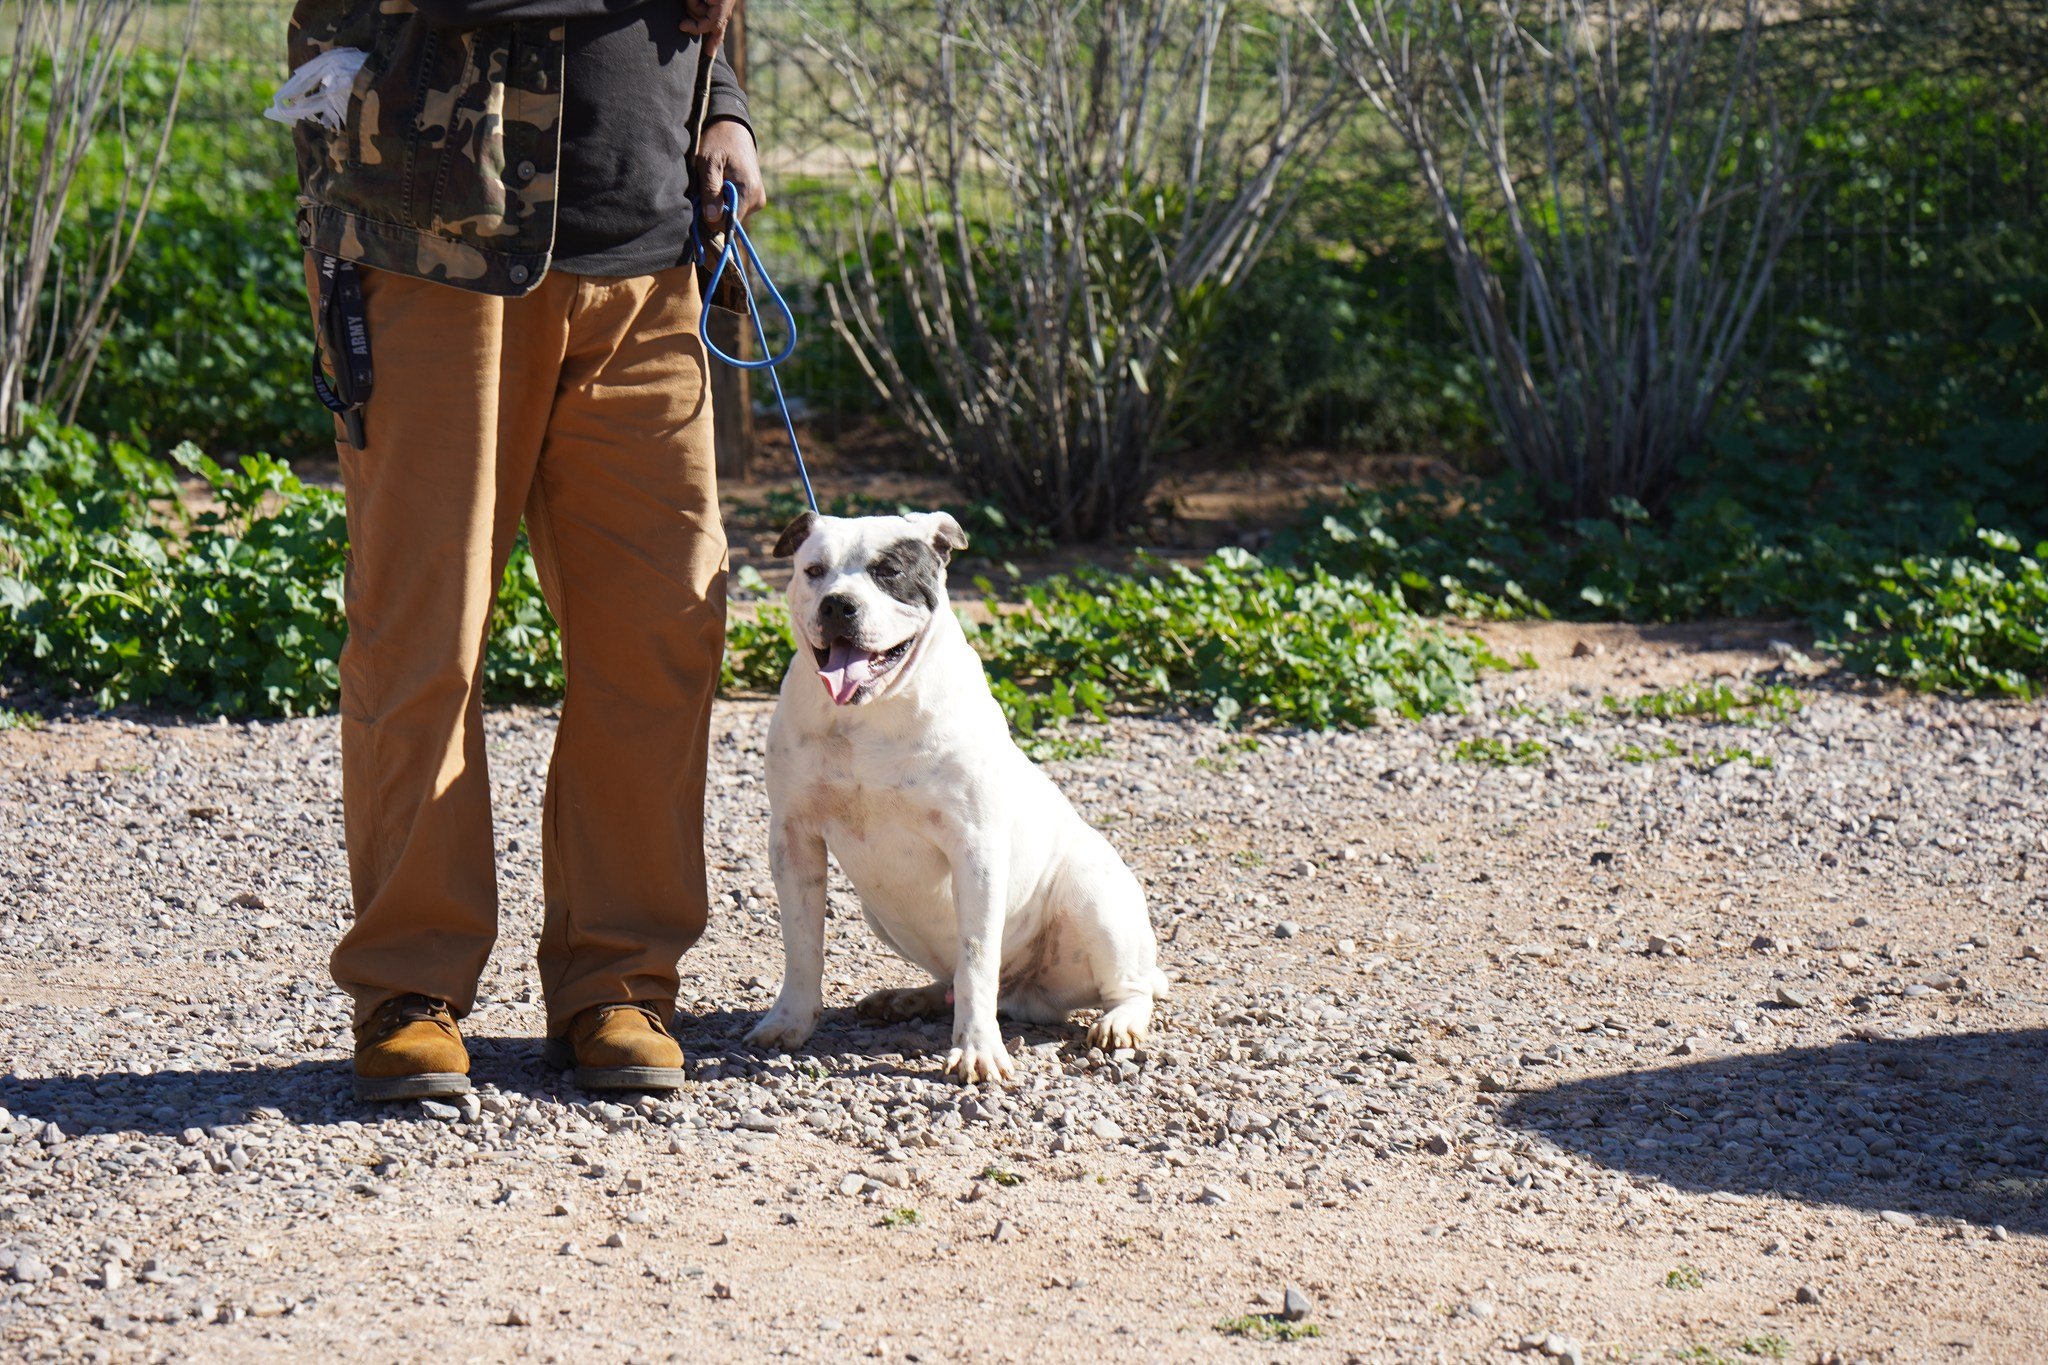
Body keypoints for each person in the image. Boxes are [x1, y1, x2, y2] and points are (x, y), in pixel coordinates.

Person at [284, 0, 763, 1100]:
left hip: (647, 255)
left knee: (660, 635)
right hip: (434, 245)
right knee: (425, 635)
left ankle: (618, 982)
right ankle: (410, 988)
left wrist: (724, 108)